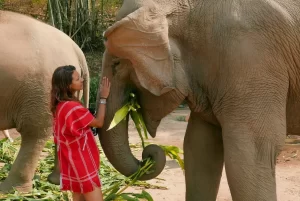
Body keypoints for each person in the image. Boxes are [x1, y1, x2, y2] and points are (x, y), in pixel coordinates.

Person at [50, 65, 111, 201]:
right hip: (82, 163)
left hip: (72, 163)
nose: (82, 80)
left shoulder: (60, 106)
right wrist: (103, 97)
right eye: (77, 79)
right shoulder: (73, 108)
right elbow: (99, 122)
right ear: (68, 85)